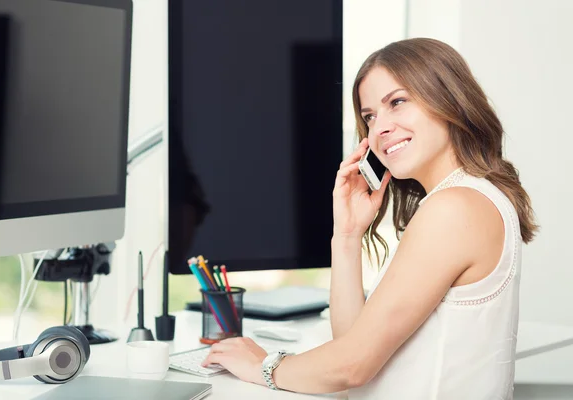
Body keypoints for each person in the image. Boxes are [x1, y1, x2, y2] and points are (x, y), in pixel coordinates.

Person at [201, 37, 539, 399]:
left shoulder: (454, 208)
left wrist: (263, 365)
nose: (379, 129)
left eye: (397, 102)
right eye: (369, 117)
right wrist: (346, 236)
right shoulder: (470, 197)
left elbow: (352, 366)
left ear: (449, 99)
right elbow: (352, 346)